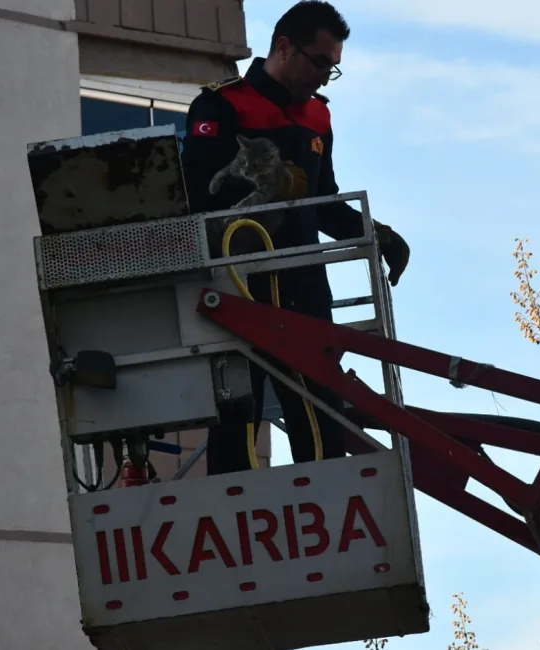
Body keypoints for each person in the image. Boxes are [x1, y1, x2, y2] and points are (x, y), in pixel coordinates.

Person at [180, 0, 410, 475]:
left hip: (304, 288)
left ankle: (329, 503)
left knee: (319, 410)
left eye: (334, 68)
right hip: (239, 289)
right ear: (284, 48)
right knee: (237, 415)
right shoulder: (222, 105)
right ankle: (234, 514)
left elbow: (323, 202)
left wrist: (377, 234)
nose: (326, 77)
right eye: (320, 62)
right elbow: (196, 195)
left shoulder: (318, 118)